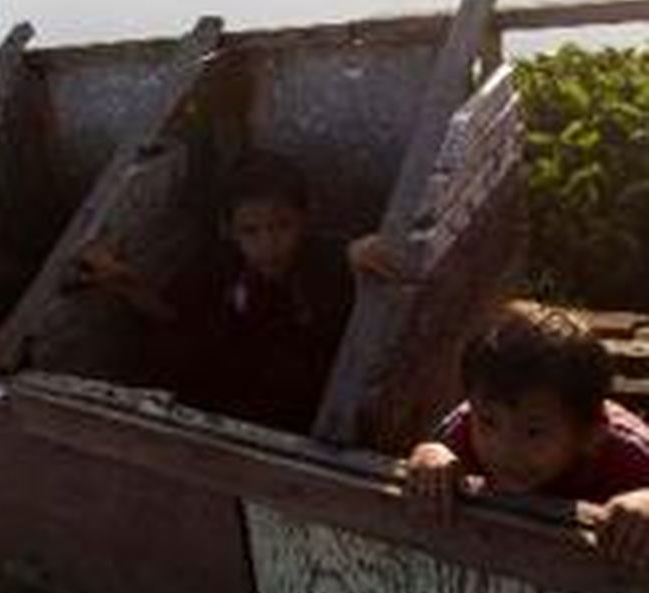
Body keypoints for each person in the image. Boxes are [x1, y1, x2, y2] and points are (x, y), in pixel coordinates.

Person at [76, 148, 396, 431]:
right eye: (251, 231)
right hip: (234, 406)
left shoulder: (322, 257)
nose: (268, 244)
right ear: (228, 231)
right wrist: (124, 281)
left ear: (305, 218)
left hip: (304, 410)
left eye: (282, 225)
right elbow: (176, 313)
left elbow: (352, 252)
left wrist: (360, 251)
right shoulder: (219, 266)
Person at [406, 301, 649, 569]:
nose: (505, 449)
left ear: (589, 437)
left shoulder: (627, 451)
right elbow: (432, 453)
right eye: (489, 423)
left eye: (533, 432)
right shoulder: (464, 425)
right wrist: (429, 456)